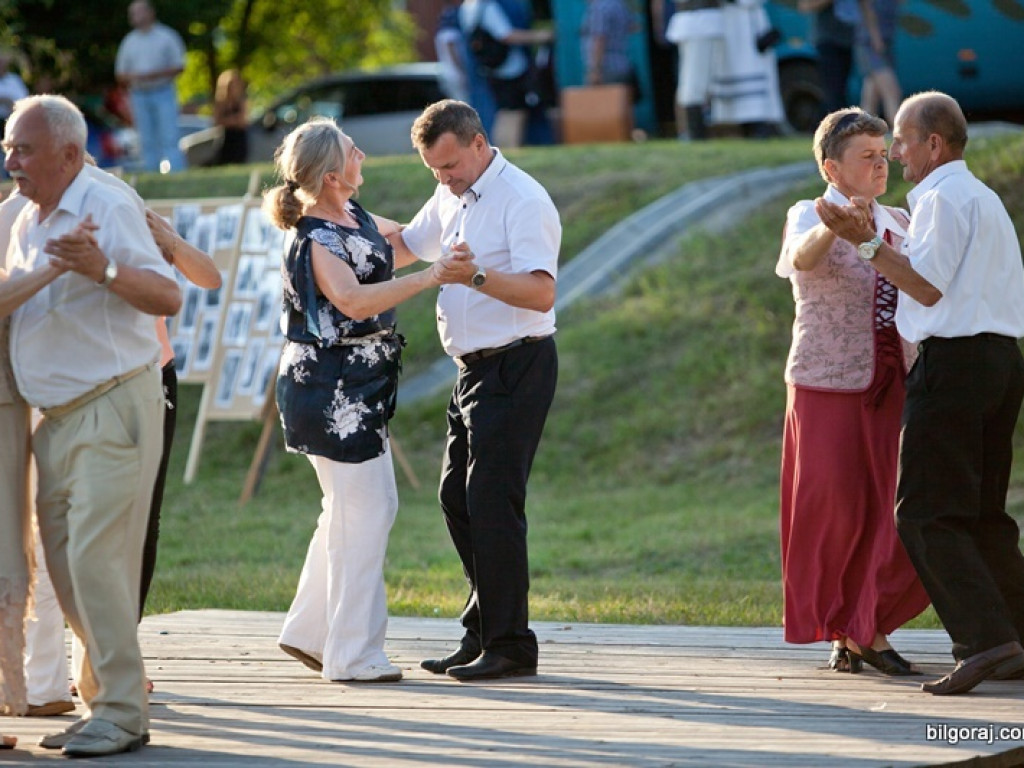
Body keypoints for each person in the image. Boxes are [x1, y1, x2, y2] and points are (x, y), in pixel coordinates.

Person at [816, 90, 1024, 695]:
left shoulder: (938, 198)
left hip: (954, 366)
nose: (896, 154)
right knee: (983, 514)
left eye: (903, 141)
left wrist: (865, 242)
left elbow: (927, 288)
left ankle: (985, 643)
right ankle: (1013, 637)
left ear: (934, 144)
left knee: (926, 515)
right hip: (1000, 361)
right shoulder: (981, 197)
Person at [1, 94, 181, 755]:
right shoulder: (16, 216)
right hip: (55, 417)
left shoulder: (107, 203)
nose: (11, 160)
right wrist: (52, 264)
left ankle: (123, 713)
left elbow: (169, 295)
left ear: (69, 154)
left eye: (22, 149)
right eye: (7, 149)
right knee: (67, 568)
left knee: (95, 561)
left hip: (115, 404)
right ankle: (101, 699)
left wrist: (99, 268)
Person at [264, 117, 473, 684]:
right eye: (355, 152)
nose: (365, 157)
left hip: (356, 388)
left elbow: (398, 244)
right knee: (369, 511)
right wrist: (433, 278)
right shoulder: (313, 235)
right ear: (332, 174)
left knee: (351, 510)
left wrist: (455, 205)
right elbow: (353, 300)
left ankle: (310, 633)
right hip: (327, 390)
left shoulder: (351, 217)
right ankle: (353, 654)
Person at [389, 99, 560, 681]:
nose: (444, 179)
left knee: (492, 502)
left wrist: (476, 277)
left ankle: (511, 644)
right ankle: (484, 630)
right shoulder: (451, 193)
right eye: (434, 170)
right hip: (471, 371)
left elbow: (541, 294)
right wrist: (329, 226)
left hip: (517, 366)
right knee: (456, 499)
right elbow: (407, 245)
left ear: (480, 142)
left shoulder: (524, 199)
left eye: (451, 166)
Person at [777, 107, 930, 676]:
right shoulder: (806, 213)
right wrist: (834, 225)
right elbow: (798, 260)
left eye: (883, 152)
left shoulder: (903, 218)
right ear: (830, 166)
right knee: (836, 511)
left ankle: (868, 625)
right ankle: (852, 631)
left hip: (896, 383)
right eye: (866, 155)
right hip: (826, 383)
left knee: (891, 511)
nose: (880, 162)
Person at [460, 0, 554, 148]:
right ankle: (509, 150)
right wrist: (539, 36)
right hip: (508, 69)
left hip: (491, 68)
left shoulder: (469, 6)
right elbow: (505, 34)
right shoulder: (488, 6)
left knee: (506, 111)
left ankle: (505, 151)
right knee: (513, 112)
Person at [115, 0, 187, 172]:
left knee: (169, 136)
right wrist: (137, 77)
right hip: (139, 94)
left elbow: (180, 65)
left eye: (138, 12)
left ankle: (177, 174)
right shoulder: (129, 42)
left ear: (150, 13)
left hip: (164, 92)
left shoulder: (167, 36)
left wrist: (156, 74)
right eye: (132, 13)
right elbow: (120, 74)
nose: (134, 17)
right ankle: (151, 175)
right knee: (146, 139)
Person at [710, 0, 784, 137]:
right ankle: (746, 127)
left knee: (758, 72)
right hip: (731, 26)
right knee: (734, 69)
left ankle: (761, 125)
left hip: (754, 24)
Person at [665, 0, 724, 140]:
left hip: (696, 22)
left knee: (690, 82)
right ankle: (694, 134)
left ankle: (690, 133)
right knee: (694, 84)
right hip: (699, 23)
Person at [798, 0, 855, 116]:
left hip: (847, 40)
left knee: (842, 88)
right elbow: (804, 6)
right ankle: (834, 125)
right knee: (833, 89)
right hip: (826, 40)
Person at [856, 0, 901, 125]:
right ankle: (899, 132)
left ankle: (862, 129)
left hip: (883, 43)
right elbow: (868, 12)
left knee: (871, 94)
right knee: (891, 90)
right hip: (872, 44)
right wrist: (876, 38)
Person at [581, 0, 636, 92]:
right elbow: (633, 26)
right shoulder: (619, 4)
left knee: (603, 104)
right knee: (621, 104)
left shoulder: (600, 8)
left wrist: (595, 70)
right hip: (622, 64)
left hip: (606, 69)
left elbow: (599, 39)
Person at [211, 69, 248, 166]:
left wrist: (228, 121)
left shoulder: (241, 101)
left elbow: (242, 121)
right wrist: (233, 120)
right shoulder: (221, 103)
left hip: (239, 138)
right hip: (225, 138)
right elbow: (217, 121)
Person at [436, 1, 470, 103]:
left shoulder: (440, 33)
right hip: (455, 73)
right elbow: (452, 49)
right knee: (463, 106)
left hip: (449, 72)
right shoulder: (449, 32)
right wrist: (462, 69)